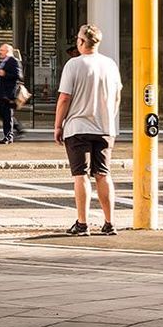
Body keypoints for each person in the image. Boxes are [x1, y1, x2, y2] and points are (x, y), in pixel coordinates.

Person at [54, 23, 123, 237]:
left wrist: (58, 125)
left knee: (80, 175)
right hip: (105, 128)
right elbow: (118, 95)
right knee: (103, 174)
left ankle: (82, 224)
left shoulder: (74, 65)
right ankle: (109, 222)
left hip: (78, 127)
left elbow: (65, 97)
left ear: (82, 41)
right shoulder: (110, 65)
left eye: (78, 38)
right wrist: (108, 117)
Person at [0, 42, 25, 144]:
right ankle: (18, 129)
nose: (0, 52)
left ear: (7, 51)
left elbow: (18, 76)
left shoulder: (13, 61)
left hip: (9, 93)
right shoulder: (3, 62)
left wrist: (5, 74)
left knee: (7, 115)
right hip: (2, 93)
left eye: (2, 50)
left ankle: (8, 137)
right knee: (2, 113)